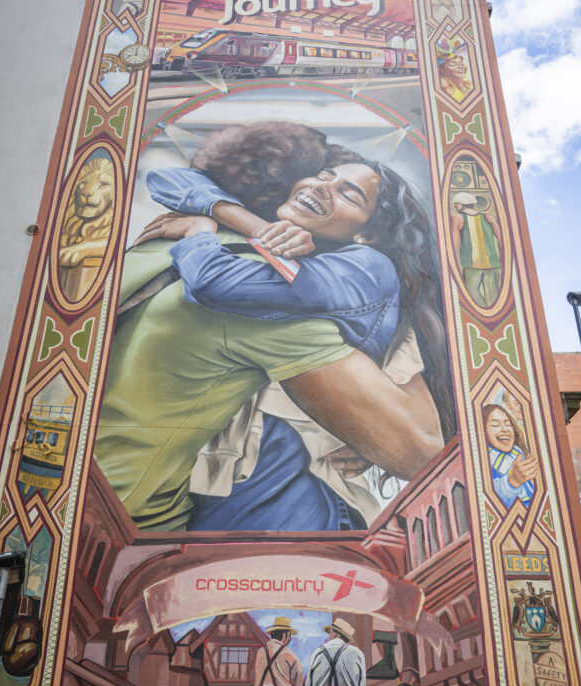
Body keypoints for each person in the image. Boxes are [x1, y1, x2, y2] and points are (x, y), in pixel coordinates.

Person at [135, 123, 453, 530]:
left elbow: (213, 284)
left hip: (285, 479)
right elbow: (167, 179)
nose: (324, 188)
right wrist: (249, 223)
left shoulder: (366, 268)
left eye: (348, 193)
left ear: (367, 233)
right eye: (323, 177)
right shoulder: (293, 246)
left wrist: (200, 231)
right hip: (234, 475)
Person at [450, 191, 502, 308]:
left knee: (470, 294)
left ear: (461, 204)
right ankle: (490, 318)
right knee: (492, 297)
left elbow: (455, 240)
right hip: (493, 263)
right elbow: (501, 237)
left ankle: (482, 313)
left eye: (456, 204)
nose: (455, 206)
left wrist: (449, 258)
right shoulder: (488, 217)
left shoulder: (457, 217)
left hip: (472, 264)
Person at [483, 403, 538, 508]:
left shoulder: (519, 452)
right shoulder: (485, 460)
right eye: (495, 425)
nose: (505, 429)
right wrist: (512, 481)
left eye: (508, 424)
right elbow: (490, 498)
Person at [304, 618, 366, 686]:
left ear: (338, 634)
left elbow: (308, 685)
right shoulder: (357, 653)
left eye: (330, 633)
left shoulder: (319, 651)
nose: (329, 636)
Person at [253, 617, 303, 686]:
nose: (289, 639)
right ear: (285, 635)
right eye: (289, 635)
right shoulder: (290, 655)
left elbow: (257, 681)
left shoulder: (261, 651)